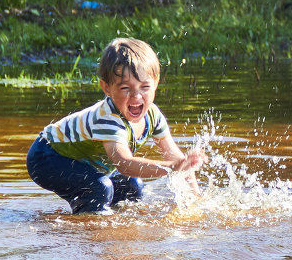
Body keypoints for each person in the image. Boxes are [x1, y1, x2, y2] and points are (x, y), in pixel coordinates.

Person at [26, 37, 206, 213]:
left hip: (82, 162)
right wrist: (170, 168)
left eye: (144, 87)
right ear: (107, 88)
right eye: (125, 88)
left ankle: (107, 224)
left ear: (156, 84)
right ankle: (87, 232)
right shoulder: (108, 119)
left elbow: (178, 161)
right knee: (98, 189)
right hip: (46, 157)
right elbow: (124, 163)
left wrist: (196, 199)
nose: (136, 96)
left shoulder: (153, 116)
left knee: (132, 187)